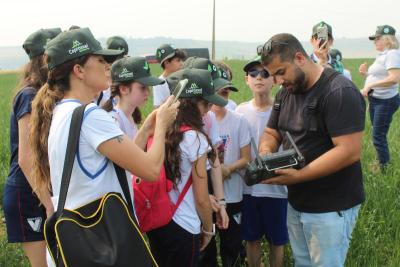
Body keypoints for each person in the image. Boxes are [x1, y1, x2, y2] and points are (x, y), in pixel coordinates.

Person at [28, 27, 179, 267]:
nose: (108, 65)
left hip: (79, 242)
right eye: (100, 60)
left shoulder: (62, 112)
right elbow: (150, 170)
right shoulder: (90, 116)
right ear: (78, 71)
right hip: (103, 242)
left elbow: (118, 161)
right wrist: (162, 126)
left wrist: (147, 128)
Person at [258, 33, 365, 267]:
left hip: (330, 207)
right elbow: (272, 133)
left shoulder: (338, 92)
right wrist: (266, 151)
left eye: (280, 72)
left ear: (299, 58)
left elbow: (348, 151)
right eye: (272, 75)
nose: (277, 81)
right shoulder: (286, 93)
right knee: (303, 262)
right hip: (297, 202)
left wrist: (299, 175)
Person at [147, 68, 227, 267]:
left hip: (157, 222)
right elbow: (201, 198)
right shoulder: (194, 138)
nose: (209, 108)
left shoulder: (160, 129)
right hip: (184, 225)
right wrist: (208, 230)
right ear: (192, 104)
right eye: (206, 103)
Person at [3, 28, 60, 267]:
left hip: (39, 190)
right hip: (28, 193)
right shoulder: (29, 96)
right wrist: (48, 205)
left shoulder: (42, 93)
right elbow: (26, 159)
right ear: (45, 59)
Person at [236, 55, 288, 267]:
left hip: (277, 188)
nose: (259, 78)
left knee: (278, 240)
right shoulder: (239, 111)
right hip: (249, 189)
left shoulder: (282, 109)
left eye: (265, 74)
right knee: (251, 239)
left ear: (274, 80)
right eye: (253, 74)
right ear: (246, 79)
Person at [205, 78, 251, 267]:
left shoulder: (239, 120)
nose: (222, 97)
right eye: (218, 92)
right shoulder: (202, 120)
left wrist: (228, 169)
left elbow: (247, 158)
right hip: (207, 195)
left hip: (232, 194)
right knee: (206, 248)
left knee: (231, 247)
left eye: (226, 93)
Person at [359, 25, 400, 170]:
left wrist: (370, 86)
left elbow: (395, 78)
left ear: (387, 39)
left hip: (385, 101)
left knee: (378, 136)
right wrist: (365, 74)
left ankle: (384, 168)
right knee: (378, 135)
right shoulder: (383, 55)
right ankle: (381, 162)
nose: (374, 42)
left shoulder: (393, 54)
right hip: (376, 100)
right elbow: (380, 75)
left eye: (377, 38)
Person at [103, 56, 164, 139]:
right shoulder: (113, 121)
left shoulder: (129, 116)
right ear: (124, 89)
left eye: (148, 87)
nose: (147, 93)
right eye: (142, 87)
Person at [96, 36, 130, 106]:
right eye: (114, 61)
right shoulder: (99, 85)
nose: (118, 66)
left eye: (122, 61)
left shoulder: (128, 84)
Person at [152, 44, 186, 108]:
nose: (182, 63)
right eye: (178, 60)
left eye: (182, 60)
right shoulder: (159, 83)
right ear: (166, 62)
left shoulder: (183, 79)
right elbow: (157, 108)